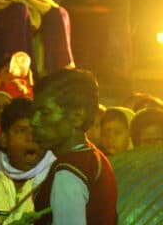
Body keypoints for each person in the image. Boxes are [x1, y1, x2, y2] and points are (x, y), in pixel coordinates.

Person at [30, 68, 117, 224]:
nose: (34, 121)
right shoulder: (93, 158)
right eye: (34, 112)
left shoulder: (68, 173)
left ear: (77, 116)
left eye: (45, 112)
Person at [0, 97, 55, 222]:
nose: (31, 137)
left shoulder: (56, 174)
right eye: (21, 131)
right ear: (4, 139)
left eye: (36, 130)